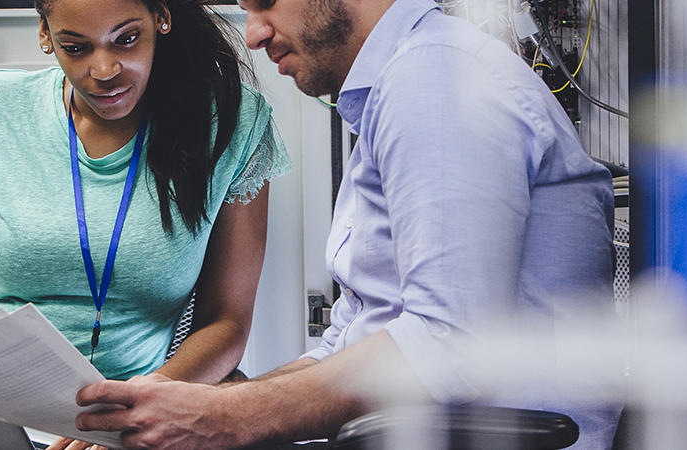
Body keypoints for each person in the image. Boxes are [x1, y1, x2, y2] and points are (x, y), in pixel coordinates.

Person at [70, 0, 620, 448]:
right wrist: (204, 408)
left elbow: (449, 344)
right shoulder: (403, 85)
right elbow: (348, 343)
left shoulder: (435, 82)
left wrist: (229, 419)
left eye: (265, 4)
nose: (255, 34)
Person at [0, 0, 289, 400]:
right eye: (75, 47)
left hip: (126, 411)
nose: (104, 70)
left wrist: (146, 401)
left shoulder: (232, 124)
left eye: (126, 39)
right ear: (45, 34)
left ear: (161, 16)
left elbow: (226, 321)